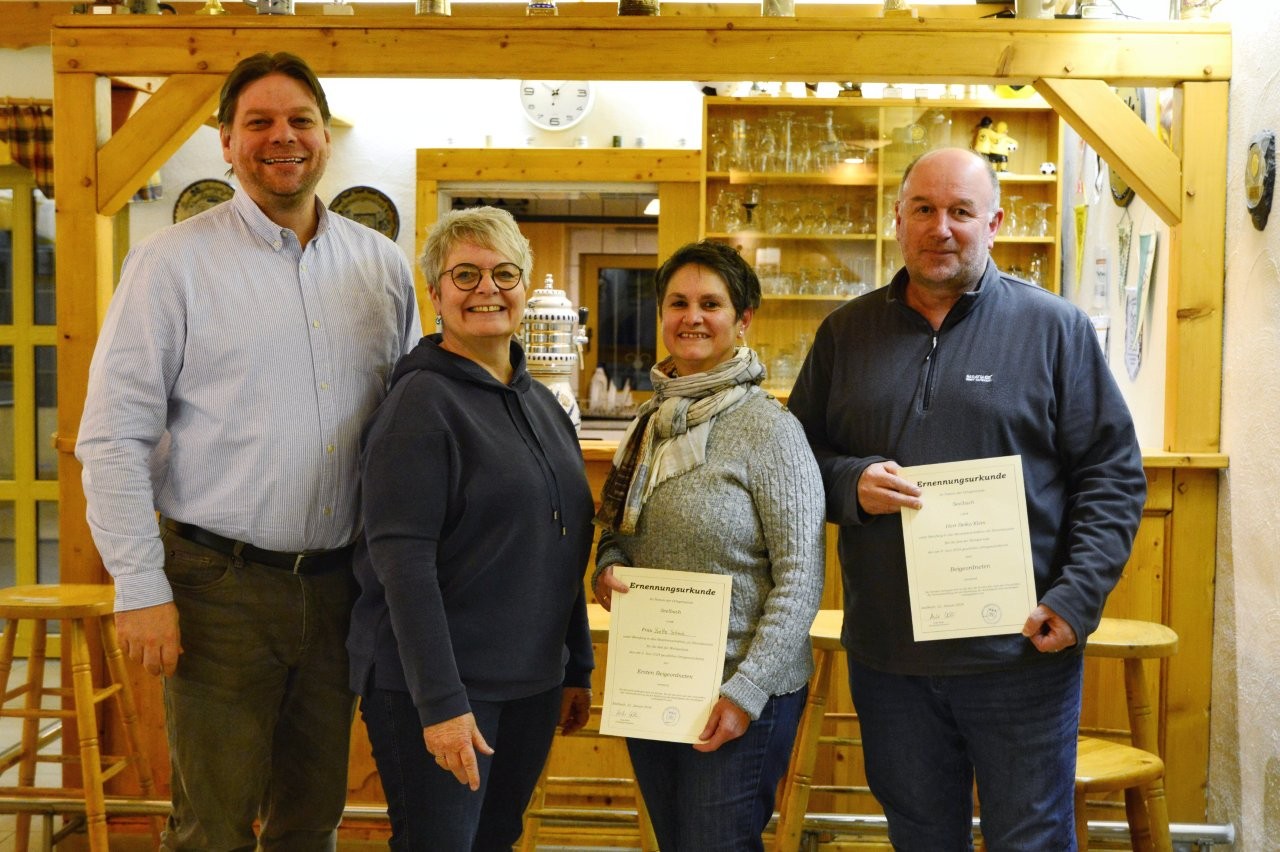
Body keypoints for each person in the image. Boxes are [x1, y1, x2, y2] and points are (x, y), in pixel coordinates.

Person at [75, 52, 421, 850]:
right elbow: (113, 434)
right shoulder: (171, 264)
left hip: (340, 590)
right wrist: (139, 585)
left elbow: (408, 425)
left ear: (325, 136)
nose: (282, 138)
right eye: (258, 122)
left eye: (300, 120)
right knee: (213, 826)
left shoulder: (380, 268)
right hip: (214, 588)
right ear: (225, 140)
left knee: (312, 818)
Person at [788, 147, 1147, 851]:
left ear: (995, 222)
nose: (941, 227)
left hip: (1020, 653)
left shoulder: (1055, 330)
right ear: (898, 220)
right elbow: (794, 463)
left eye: (960, 211)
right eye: (924, 209)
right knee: (920, 837)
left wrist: (1076, 600)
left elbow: (1111, 472)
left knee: (1032, 838)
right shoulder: (845, 334)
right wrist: (849, 482)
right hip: (891, 656)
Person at [348, 206, 595, 851]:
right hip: (442, 690)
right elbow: (403, 569)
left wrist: (577, 666)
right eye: (465, 274)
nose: (487, 288)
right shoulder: (419, 406)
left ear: (524, 287)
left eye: (503, 273)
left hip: (531, 684)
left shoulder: (541, 403)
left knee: (495, 841)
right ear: (435, 294)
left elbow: (562, 543)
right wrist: (442, 705)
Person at [593, 240, 825, 852]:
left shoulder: (770, 429)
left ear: (743, 319)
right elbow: (616, 533)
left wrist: (745, 692)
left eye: (710, 303)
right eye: (677, 302)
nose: (691, 316)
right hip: (657, 683)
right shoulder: (648, 421)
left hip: (740, 693)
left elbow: (801, 580)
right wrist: (609, 566)